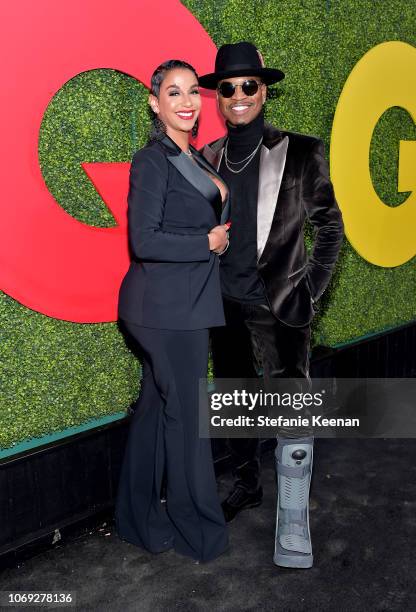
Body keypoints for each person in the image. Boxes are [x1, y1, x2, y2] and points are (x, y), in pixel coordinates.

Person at [198, 42, 344, 568]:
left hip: (279, 305)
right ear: (218, 97)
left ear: (264, 91)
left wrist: (312, 287)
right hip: (222, 305)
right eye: (228, 88)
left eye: (249, 86)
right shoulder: (206, 156)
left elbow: (330, 225)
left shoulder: (301, 151)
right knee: (234, 400)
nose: (238, 96)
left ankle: (293, 515)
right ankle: (245, 484)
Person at [115, 59, 231, 563]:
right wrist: (205, 241)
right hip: (163, 310)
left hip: (184, 303)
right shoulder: (152, 160)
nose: (186, 102)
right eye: (173, 93)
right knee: (186, 419)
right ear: (154, 102)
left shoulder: (197, 158)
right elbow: (144, 239)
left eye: (192, 93)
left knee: (156, 413)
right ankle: (197, 531)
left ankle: (137, 520)